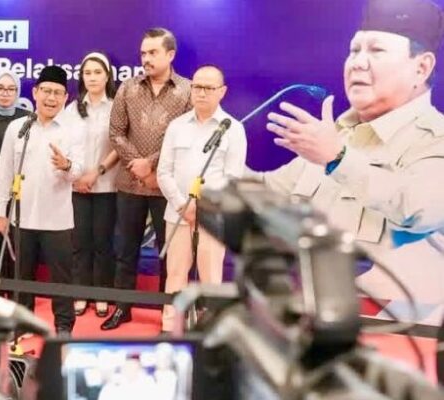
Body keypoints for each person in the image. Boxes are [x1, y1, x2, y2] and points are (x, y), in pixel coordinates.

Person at [258, 0, 444, 301]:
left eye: (376, 50)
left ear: (421, 68)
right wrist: (208, 175)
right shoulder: (335, 137)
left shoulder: (435, 138)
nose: (357, 62)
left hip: (399, 323)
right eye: (354, 50)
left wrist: (338, 158)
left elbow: (418, 206)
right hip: (314, 313)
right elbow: (265, 191)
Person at [103, 28, 192, 331]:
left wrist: (151, 165)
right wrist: (136, 164)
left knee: (170, 255)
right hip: (129, 183)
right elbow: (116, 132)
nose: (146, 58)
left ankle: (169, 314)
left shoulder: (187, 91)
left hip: (167, 187)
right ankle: (122, 308)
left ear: (170, 54)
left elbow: (185, 138)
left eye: (153, 52)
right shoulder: (127, 88)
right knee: (125, 250)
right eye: (143, 53)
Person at [0, 66, 83, 336]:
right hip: (22, 217)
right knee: (22, 275)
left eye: (57, 93)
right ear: (34, 93)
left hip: (58, 220)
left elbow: (78, 172)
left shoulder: (72, 131)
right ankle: (23, 324)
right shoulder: (18, 128)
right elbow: (5, 172)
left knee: (61, 279)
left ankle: (64, 325)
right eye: (46, 91)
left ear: (65, 98)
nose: (51, 98)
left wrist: (66, 165)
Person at [157, 65, 247, 332]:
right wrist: (181, 204)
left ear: (222, 91)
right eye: (197, 87)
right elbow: (163, 172)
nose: (201, 93)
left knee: (210, 277)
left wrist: (204, 206)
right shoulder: (177, 126)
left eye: (208, 88)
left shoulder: (233, 129)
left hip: (213, 218)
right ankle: (170, 327)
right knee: (175, 274)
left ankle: (209, 330)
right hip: (177, 214)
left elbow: (233, 179)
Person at [63, 52, 119, 318]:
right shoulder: (72, 110)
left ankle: (102, 294)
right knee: (79, 243)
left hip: (107, 186)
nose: (92, 77)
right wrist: (76, 178)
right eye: (87, 73)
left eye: (98, 72)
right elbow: (63, 145)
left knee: (102, 243)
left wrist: (96, 173)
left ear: (107, 76)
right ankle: (80, 293)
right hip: (76, 188)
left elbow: (120, 146)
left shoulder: (116, 107)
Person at [0, 71, 30, 275]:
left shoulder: (27, 118)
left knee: (19, 240)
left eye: (11, 89)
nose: (5, 93)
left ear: (17, 92)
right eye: (0, 88)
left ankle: (17, 284)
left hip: (19, 189)